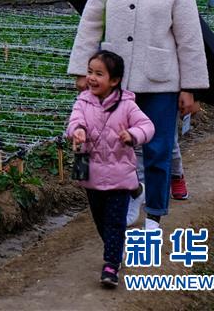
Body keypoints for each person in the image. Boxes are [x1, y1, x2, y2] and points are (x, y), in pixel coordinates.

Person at [68, 0, 209, 230]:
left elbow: (189, 41)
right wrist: (82, 69)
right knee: (115, 147)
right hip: (116, 84)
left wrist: (191, 88)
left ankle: (155, 215)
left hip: (160, 82)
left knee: (158, 149)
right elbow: (89, 25)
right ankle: (129, 198)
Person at [66, 50, 154, 287]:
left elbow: (147, 126)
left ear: (114, 81)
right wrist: (77, 131)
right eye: (90, 72)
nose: (92, 78)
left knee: (115, 221)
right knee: (101, 221)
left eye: (99, 74)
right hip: (92, 175)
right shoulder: (83, 102)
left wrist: (133, 135)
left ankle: (110, 265)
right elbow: (74, 121)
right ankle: (116, 248)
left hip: (120, 177)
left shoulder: (127, 105)